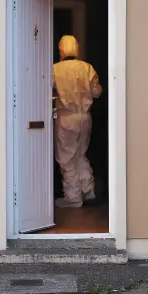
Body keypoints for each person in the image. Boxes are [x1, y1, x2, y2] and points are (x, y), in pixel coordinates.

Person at [53, 35, 102, 208]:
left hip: (66, 117)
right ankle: (88, 189)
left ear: (61, 50)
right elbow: (97, 93)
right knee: (81, 154)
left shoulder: (55, 69)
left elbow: (47, 89)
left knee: (66, 158)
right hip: (85, 116)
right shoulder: (87, 67)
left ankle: (73, 197)